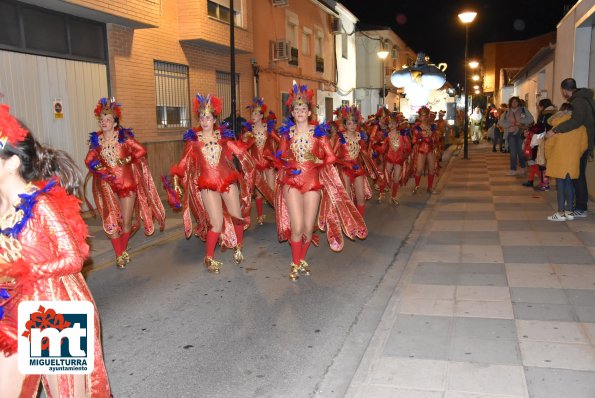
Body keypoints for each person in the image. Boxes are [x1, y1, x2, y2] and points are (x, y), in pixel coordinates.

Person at [0, 104, 111, 397]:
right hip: (9, 313)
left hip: (53, 310)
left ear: (11, 163)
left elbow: (75, 258)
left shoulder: (41, 205)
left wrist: (30, 270)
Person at [274, 82, 367, 281]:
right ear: (292, 113)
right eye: (296, 108)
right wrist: (285, 162)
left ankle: (302, 259)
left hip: (313, 183)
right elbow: (279, 157)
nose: (299, 111)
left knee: (308, 228)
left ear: (309, 112)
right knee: (297, 227)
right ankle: (295, 263)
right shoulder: (286, 134)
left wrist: (318, 160)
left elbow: (332, 158)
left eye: (303, 108)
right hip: (291, 183)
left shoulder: (318, 133)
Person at [168, 94, 253, 274]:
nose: (205, 120)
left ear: (215, 119)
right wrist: (175, 180)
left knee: (237, 216)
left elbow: (239, 150)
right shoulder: (193, 140)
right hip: (207, 184)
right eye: (202, 117)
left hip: (227, 180)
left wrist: (248, 140)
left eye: (208, 117)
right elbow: (183, 163)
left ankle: (238, 247)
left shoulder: (223, 136)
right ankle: (209, 257)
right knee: (216, 222)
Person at [85, 98, 166, 268]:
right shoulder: (96, 141)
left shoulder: (123, 138)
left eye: (108, 120)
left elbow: (141, 150)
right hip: (107, 185)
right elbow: (89, 160)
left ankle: (122, 250)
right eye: (102, 120)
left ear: (115, 123)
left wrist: (128, 159)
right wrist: (101, 169)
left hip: (127, 183)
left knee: (126, 221)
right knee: (111, 219)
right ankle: (119, 255)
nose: (104, 122)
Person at [546, 78, 595, 218]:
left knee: (577, 176)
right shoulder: (584, 99)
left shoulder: (578, 101)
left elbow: (576, 121)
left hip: (580, 143)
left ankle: (581, 207)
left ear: (565, 89)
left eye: (562, 91)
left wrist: (556, 130)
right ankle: (574, 207)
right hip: (583, 141)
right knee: (576, 176)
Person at [333, 105, 381, 215]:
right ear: (344, 124)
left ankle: (360, 223)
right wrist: (345, 164)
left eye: (354, 123)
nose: (352, 125)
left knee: (361, 198)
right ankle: (350, 224)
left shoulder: (360, 136)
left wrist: (371, 156)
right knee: (348, 198)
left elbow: (363, 152)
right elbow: (333, 156)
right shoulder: (340, 137)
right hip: (344, 169)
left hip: (358, 168)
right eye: (349, 123)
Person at [544, 103, 588, 221]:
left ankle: (560, 213)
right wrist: (575, 155)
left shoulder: (557, 125)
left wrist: (549, 157)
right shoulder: (581, 127)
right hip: (573, 160)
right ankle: (569, 212)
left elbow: (549, 144)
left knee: (561, 186)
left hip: (559, 159)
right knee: (570, 185)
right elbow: (584, 145)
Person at [241, 97, 278, 225]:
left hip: (268, 162)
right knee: (258, 192)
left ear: (262, 115)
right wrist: (244, 139)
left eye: (256, 113)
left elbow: (279, 141)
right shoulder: (248, 130)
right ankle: (260, 215)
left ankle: (279, 214)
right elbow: (243, 147)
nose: (254, 115)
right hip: (255, 163)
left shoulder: (268, 128)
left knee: (271, 189)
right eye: (252, 113)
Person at [377, 113, 412, 204]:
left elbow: (408, 148)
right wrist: (376, 146)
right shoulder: (386, 135)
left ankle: (394, 196)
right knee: (385, 176)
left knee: (396, 178)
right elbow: (383, 148)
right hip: (389, 159)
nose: (391, 125)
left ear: (397, 124)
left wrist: (403, 158)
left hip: (399, 160)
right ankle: (381, 193)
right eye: (389, 123)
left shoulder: (402, 135)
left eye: (393, 123)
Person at [523, 98, 556, 190]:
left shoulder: (545, 115)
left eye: (538, 106)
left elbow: (540, 128)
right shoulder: (554, 113)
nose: (538, 107)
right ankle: (543, 183)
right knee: (542, 163)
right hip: (552, 140)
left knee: (542, 163)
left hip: (543, 140)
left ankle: (544, 184)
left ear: (541, 106)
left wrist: (531, 130)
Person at [499, 96, 534, 176]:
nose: (514, 103)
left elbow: (531, 119)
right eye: (512, 102)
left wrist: (520, 122)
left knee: (521, 152)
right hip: (511, 133)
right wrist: (510, 124)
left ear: (518, 102)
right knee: (513, 152)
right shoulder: (507, 112)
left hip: (521, 133)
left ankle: (523, 167)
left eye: (516, 101)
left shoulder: (523, 110)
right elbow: (501, 122)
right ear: (510, 103)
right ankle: (513, 169)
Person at [411, 106, 439, 193]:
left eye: (426, 115)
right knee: (419, 169)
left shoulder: (432, 127)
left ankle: (430, 187)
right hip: (421, 150)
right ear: (419, 117)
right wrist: (422, 139)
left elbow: (436, 139)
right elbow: (414, 140)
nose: (425, 117)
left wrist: (433, 139)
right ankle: (416, 186)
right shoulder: (417, 128)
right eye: (423, 115)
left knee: (431, 169)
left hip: (430, 150)